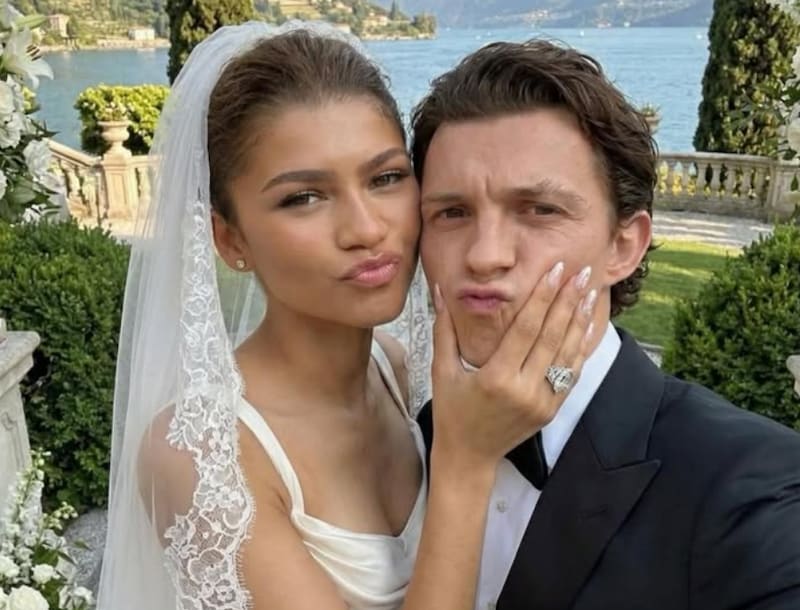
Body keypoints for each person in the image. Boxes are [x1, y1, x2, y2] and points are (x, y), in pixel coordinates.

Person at [97, 23, 597, 610]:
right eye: (304, 197)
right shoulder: (200, 457)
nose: (365, 229)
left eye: (386, 178)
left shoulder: (401, 372)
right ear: (230, 239)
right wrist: (465, 465)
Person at [412, 39, 800, 610]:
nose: (484, 255)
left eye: (540, 210)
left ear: (624, 246)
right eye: (452, 213)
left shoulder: (752, 485)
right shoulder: (407, 444)